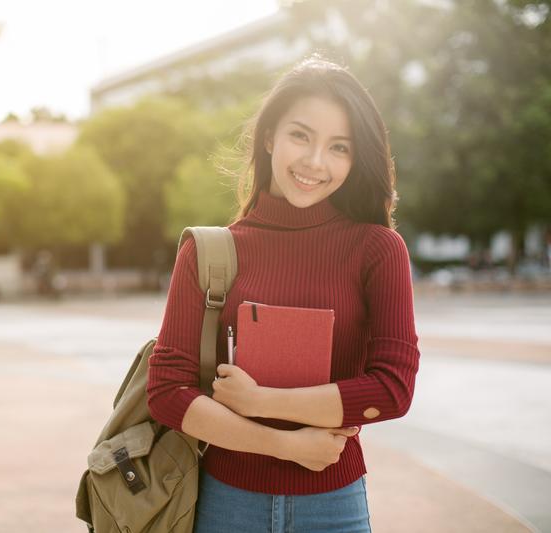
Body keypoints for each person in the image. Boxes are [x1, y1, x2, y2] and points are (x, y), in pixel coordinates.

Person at [146, 56, 420, 533]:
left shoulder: (378, 250)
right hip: (225, 505)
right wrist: (285, 445)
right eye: (301, 136)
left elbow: (393, 389)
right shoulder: (210, 251)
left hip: (335, 506)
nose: (315, 162)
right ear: (270, 135)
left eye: (339, 147)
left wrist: (260, 401)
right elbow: (167, 392)